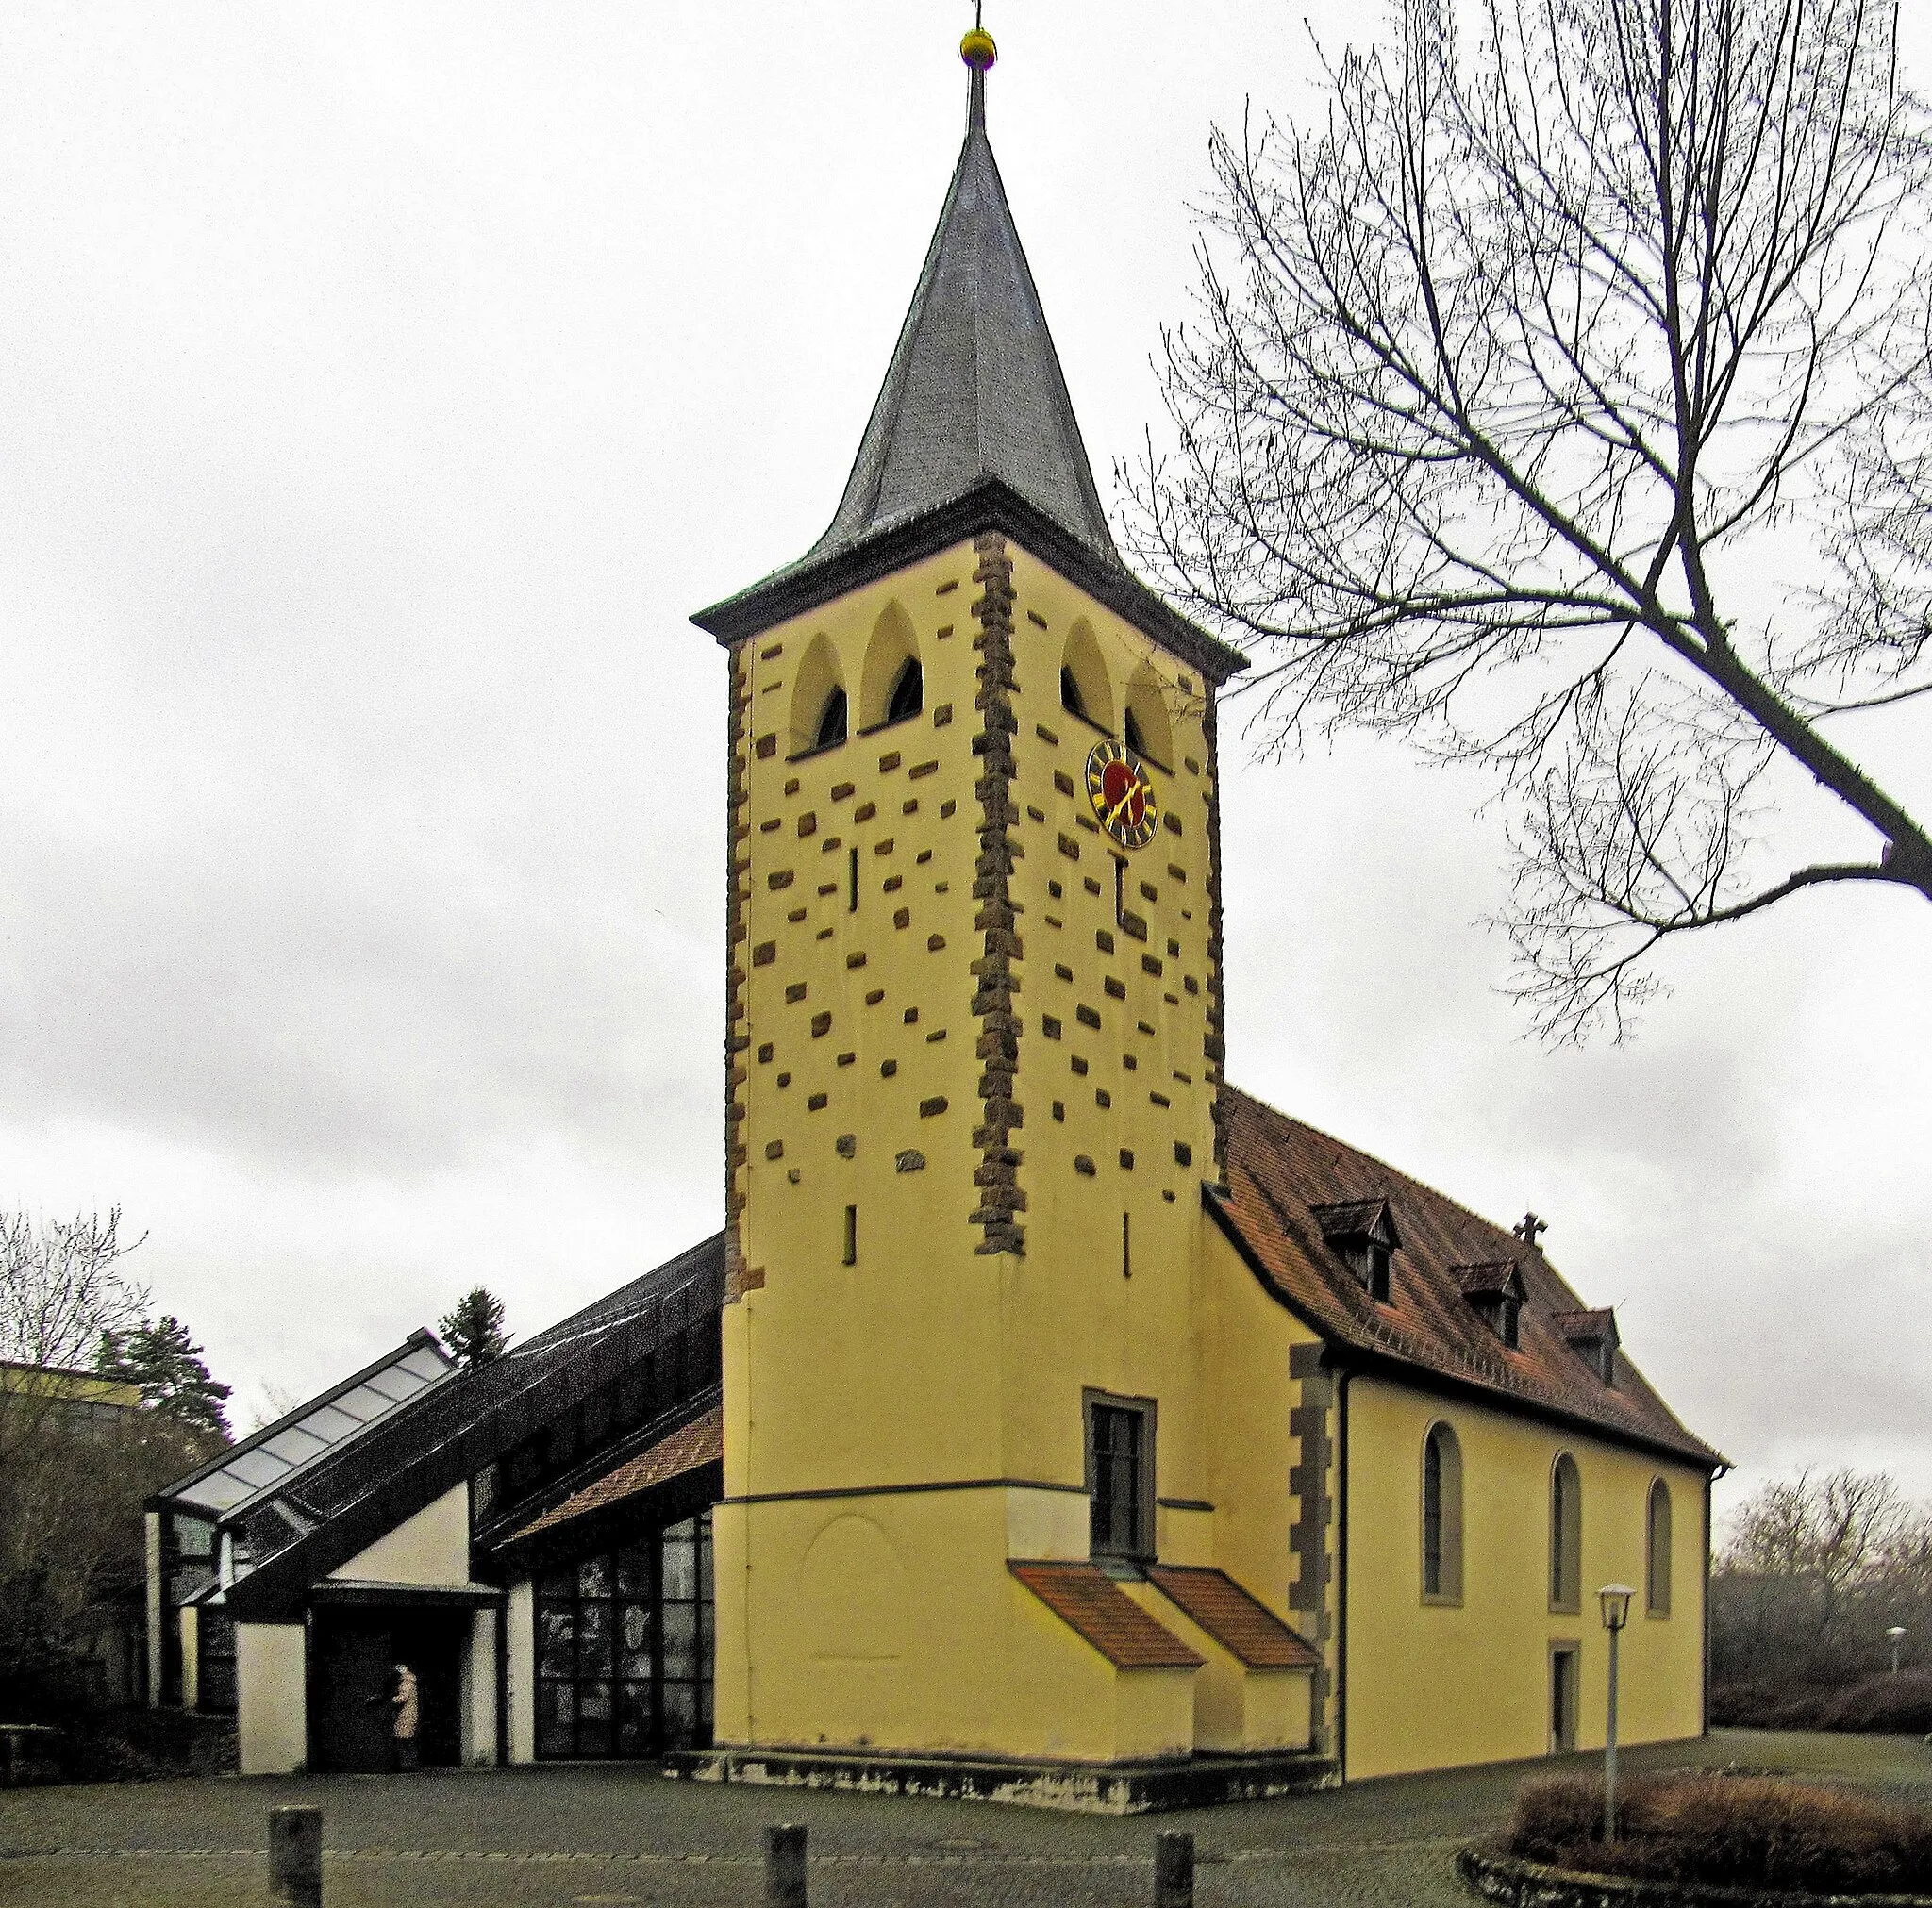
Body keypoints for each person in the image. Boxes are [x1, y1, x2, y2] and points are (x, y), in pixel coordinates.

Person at [391, 1662, 419, 1772]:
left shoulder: (406, 1682)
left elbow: (403, 1697)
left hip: (406, 1714)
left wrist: (393, 1699)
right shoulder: (411, 1681)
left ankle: (407, 1765)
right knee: (407, 1739)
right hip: (409, 1713)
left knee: (404, 1739)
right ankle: (409, 1764)